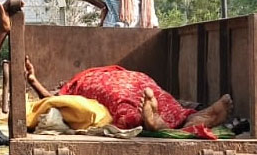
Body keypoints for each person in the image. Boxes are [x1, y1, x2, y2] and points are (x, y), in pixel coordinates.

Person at [24, 57, 232, 132]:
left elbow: (51, 101)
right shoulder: (102, 73)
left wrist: (35, 82)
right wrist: (33, 80)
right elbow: (52, 99)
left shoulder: (76, 86)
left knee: (124, 107)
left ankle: (152, 122)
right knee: (165, 100)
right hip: (136, 79)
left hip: (115, 86)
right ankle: (193, 116)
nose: (60, 85)